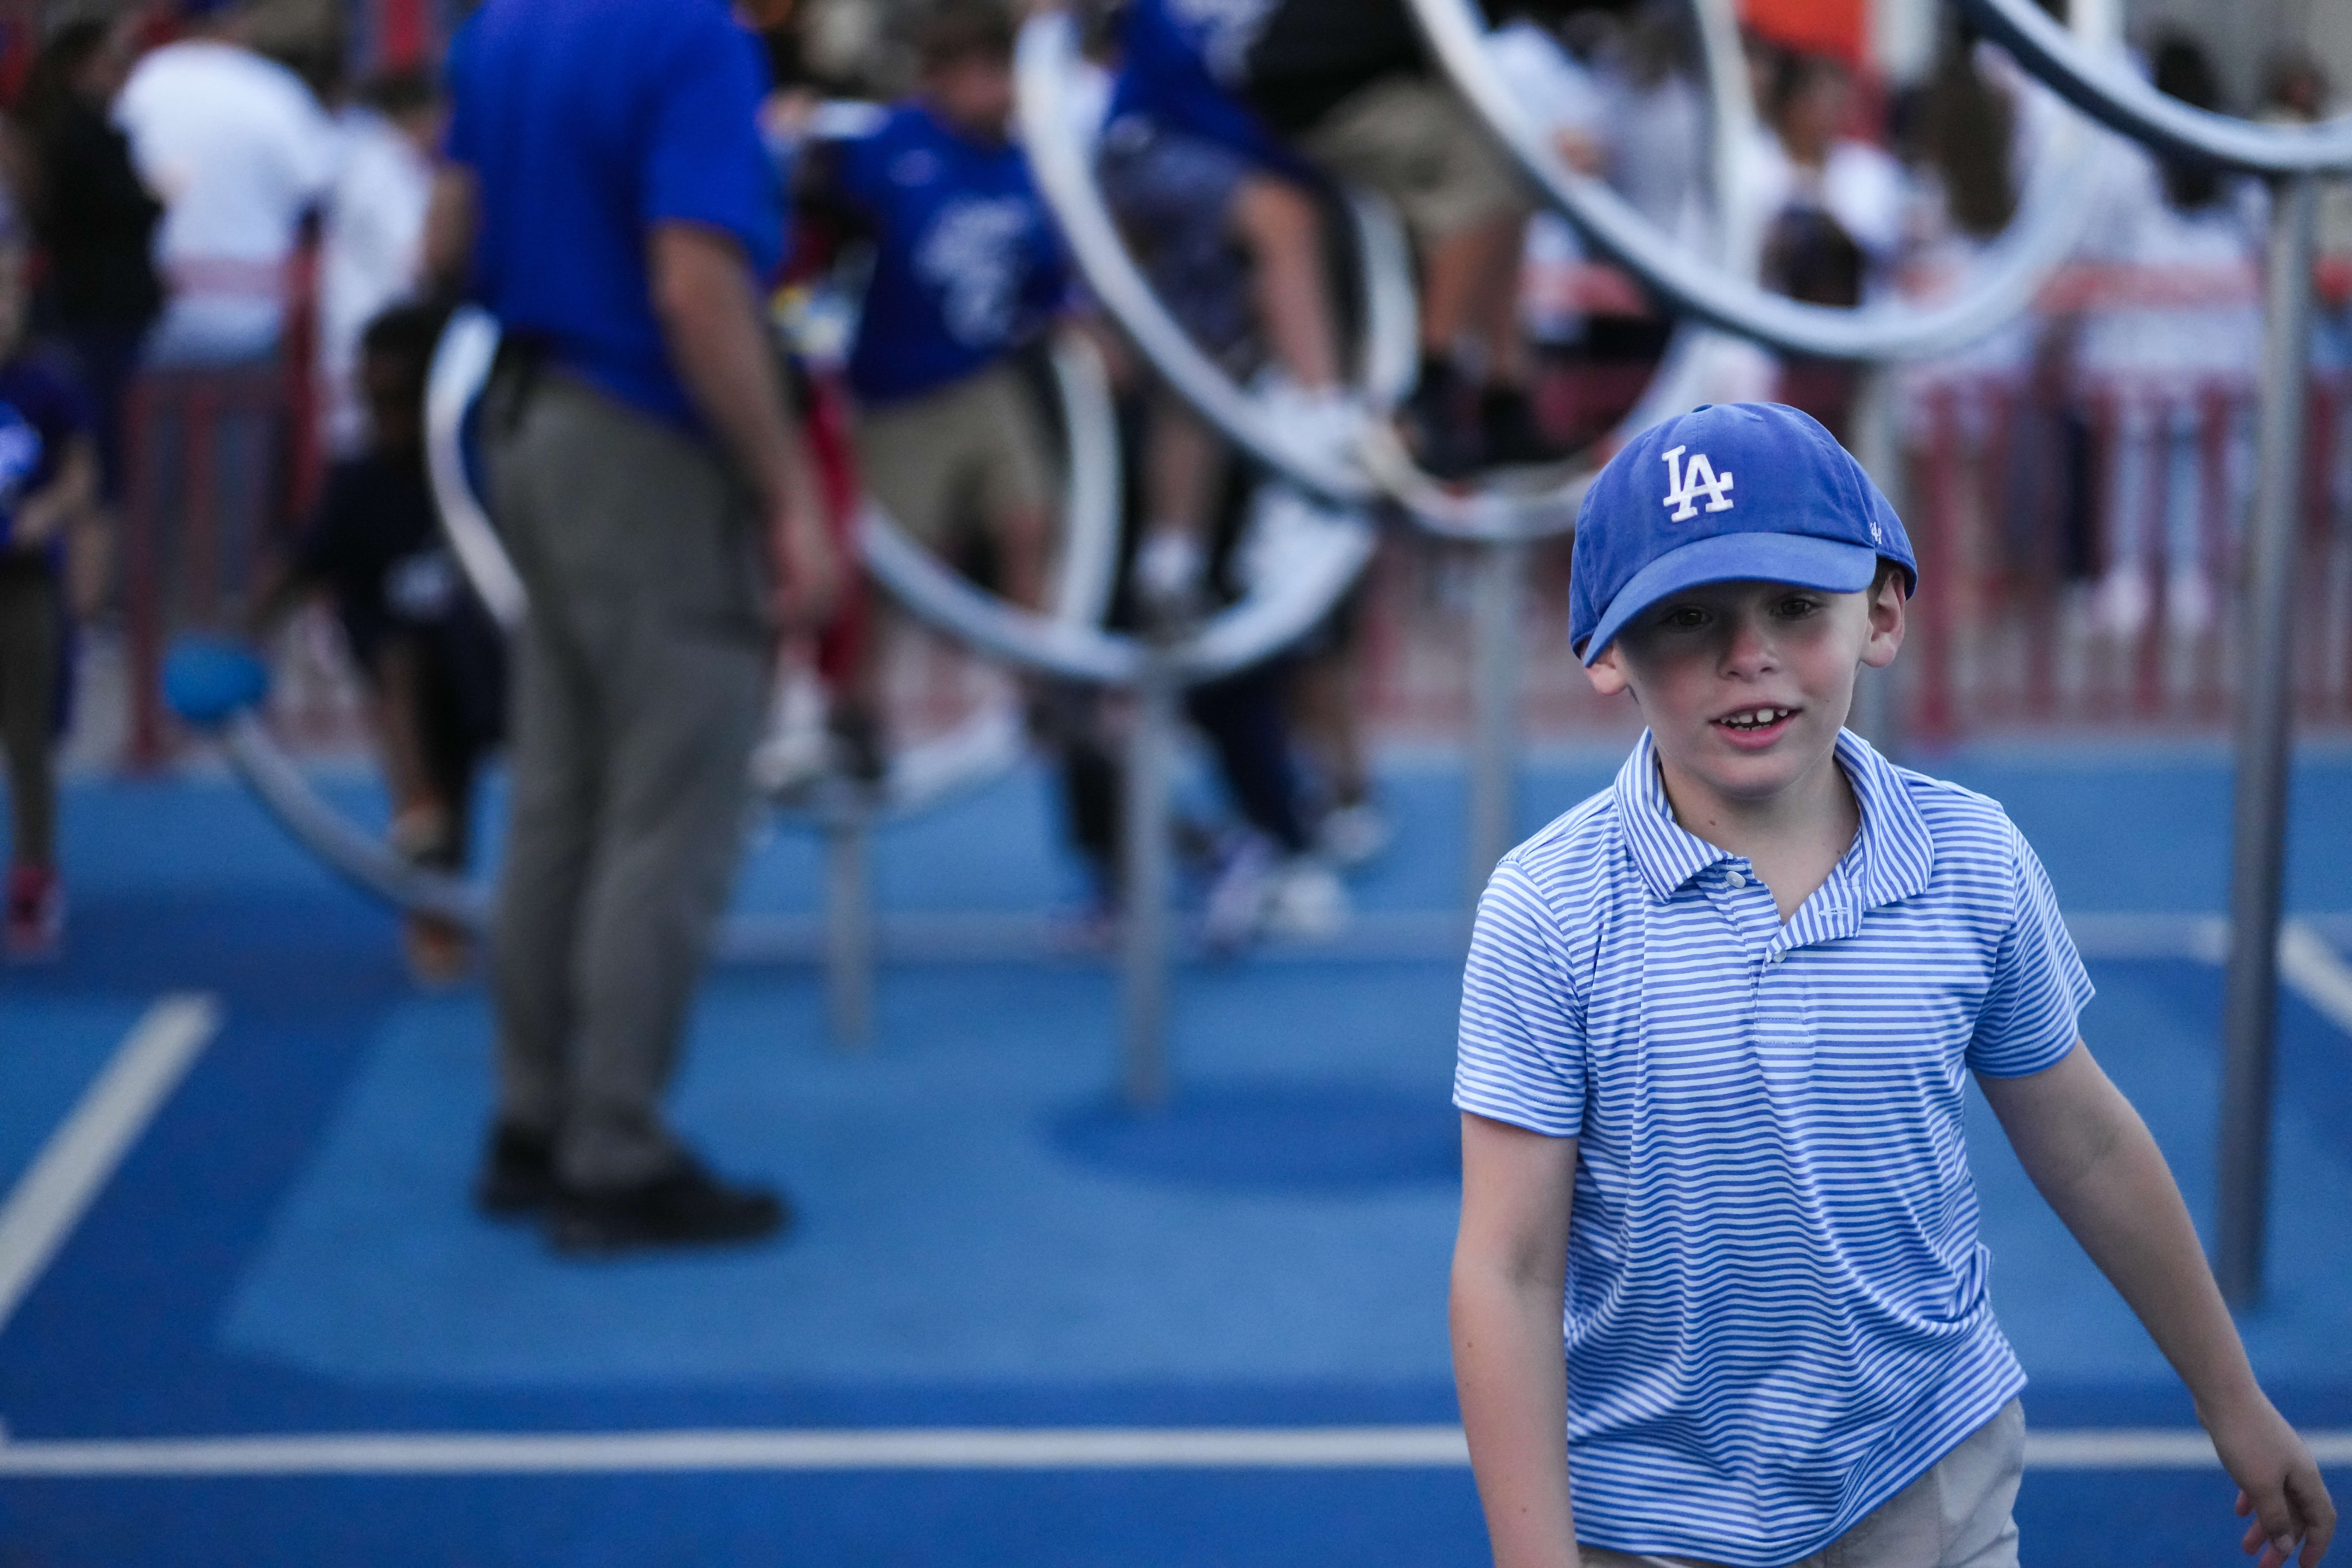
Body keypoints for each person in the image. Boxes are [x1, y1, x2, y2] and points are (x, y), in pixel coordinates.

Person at [1448, 400, 2339, 1568]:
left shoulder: (1970, 860)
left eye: (1793, 609)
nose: (1747, 654)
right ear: (1607, 650)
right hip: (1651, 1510)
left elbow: (2085, 1143)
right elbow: (1507, 1266)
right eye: (1688, 619)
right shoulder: (1549, 907)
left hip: (1924, 1473)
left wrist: (2232, 1397)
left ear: (1880, 614)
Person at [429, 0, 839, 1253]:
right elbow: (696, 287)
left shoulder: (504, 27)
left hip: (529, 412)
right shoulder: (693, 41)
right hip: (640, 434)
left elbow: (443, 244)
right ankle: (614, 1151)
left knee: (561, 796)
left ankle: (535, 1118)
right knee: (672, 811)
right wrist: (789, 495)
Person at [798, 0, 1071, 765]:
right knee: (897, 570)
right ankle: (855, 711)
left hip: (984, 377)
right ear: (947, 77)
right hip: (898, 395)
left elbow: (1046, 281)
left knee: (1030, 521)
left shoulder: (1021, 162)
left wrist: (1075, 327)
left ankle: (1038, 685)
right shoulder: (891, 149)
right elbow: (823, 237)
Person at [246, 304, 501, 984]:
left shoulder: (475, 475)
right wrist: (240, 641)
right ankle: (426, 862)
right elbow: (297, 567)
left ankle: (453, 889)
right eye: (371, 401)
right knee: (407, 687)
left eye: (398, 403)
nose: (383, 419)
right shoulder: (357, 483)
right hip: (400, 669)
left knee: (465, 778)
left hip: (484, 662)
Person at [112, 0, 336, 369]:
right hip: (253, 315)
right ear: (236, 20)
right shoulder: (273, 88)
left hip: (155, 310)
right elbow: (320, 194)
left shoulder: (140, 83)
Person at [0, 210, 100, 958]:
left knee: (29, 732)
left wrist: (48, 513)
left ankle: (36, 871)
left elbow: (82, 473)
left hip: (25, 578)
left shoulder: (45, 381)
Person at [14, 14, 163, 507]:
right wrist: (153, 198)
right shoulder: (78, 134)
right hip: (92, 311)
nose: (121, 74)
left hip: (88, 309)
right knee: (94, 453)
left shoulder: (71, 129)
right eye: (112, 62)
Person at [318, 69, 442, 455]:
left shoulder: (389, 160)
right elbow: (416, 260)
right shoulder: (379, 166)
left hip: (377, 332)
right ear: (421, 115)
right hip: (373, 339)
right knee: (364, 452)